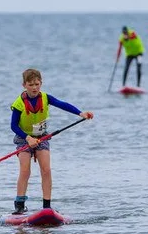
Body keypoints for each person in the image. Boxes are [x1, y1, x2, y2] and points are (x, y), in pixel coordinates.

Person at [10, 68, 94, 214]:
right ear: (24, 85)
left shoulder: (45, 97)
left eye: (37, 84)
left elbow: (62, 104)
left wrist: (81, 113)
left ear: (41, 83)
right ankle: (19, 206)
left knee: (46, 170)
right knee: (25, 171)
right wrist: (28, 138)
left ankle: (47, 207)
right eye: (31, 85)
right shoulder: (19, 103)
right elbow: (13, 126)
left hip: (42, 137)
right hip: (24, 138)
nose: (35, 87)